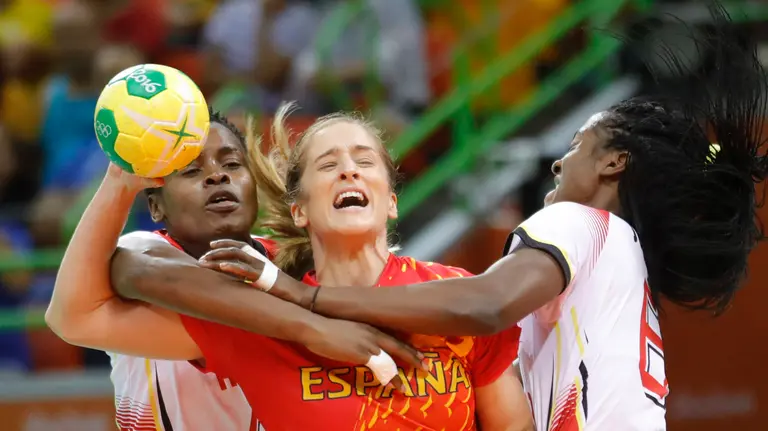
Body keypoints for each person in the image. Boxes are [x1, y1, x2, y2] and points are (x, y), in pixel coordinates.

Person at [195, 6, 768, 430]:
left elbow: (484, 306)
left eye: (577, 146)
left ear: (614, 163)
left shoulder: (578, 223)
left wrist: (306, 298)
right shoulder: (619, 254)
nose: (559, 162)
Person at [46, 108, 421, 430]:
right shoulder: (143, 250)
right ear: (156, 207)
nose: (217, 176)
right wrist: (119, 182)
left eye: (232, 164)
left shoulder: (294, 264)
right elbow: (68, 317)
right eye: (191, 170)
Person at [195, 105, 532, 430]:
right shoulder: (266, 317)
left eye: (365, 161)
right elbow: (160, 290)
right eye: (328, 165)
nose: (349, 171)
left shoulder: (455, 293)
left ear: (391, 202)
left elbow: (512, 426)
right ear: (299, 211)